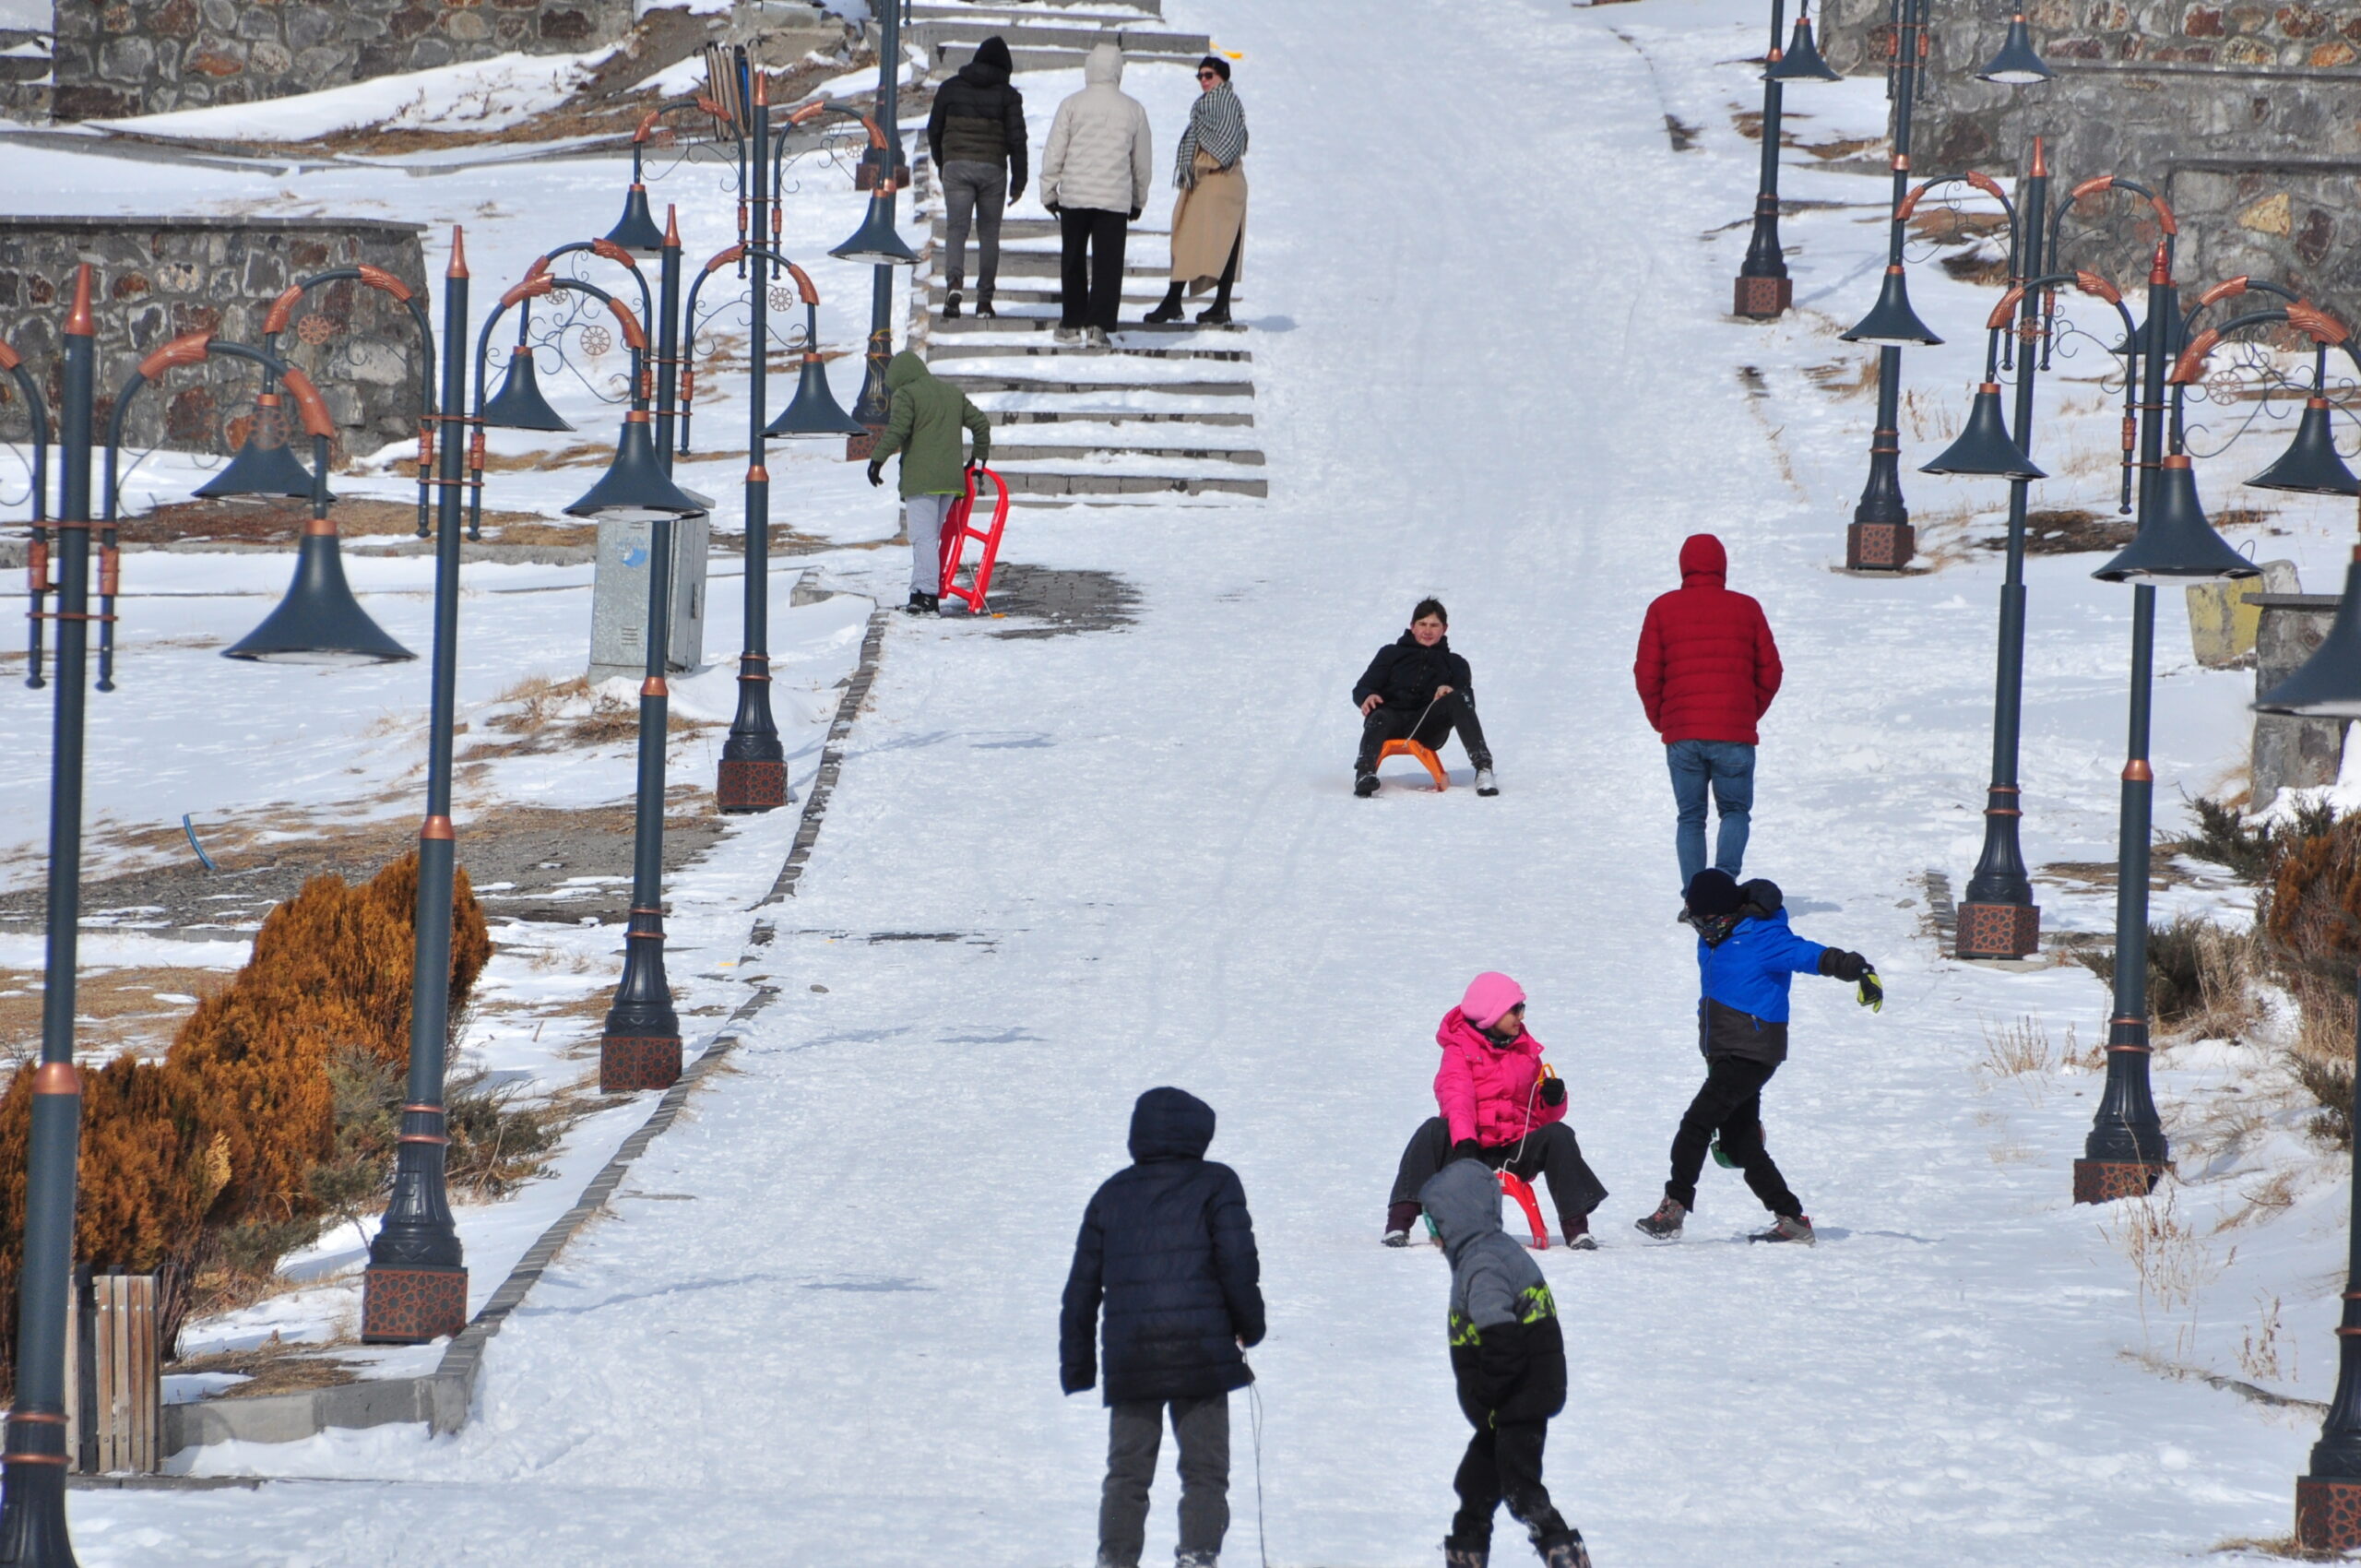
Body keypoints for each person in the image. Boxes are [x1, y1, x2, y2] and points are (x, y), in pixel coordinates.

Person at [1062, 1087, 1264, 1568]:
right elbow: (1238, 1263)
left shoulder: (1111, 1194)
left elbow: (1081, 1289)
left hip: (1133, 1354)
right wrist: (1249, 1327)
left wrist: (1078, 1366)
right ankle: (1197, 1556)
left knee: (1127, 1473)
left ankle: (1115, 1559)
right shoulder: (1218, 1184)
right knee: (1205, 1471)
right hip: (1202, 1351)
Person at [1634, 870, 1881, 1247]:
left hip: (1752, 1051)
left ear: (1728, 913)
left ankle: (1674, 1207)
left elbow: (1812, 955)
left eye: (1708, 921)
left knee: (1696, 1124)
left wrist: (1858, 969)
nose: (1702, 929)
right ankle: (1792, 1219)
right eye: (1696, 922)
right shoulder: (1712, 939)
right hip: (1724, 1051)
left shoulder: (1765, 936)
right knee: (1740, 1144)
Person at [1418, 1158, 1594, 1568]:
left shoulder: (1482, 1263)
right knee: (1476, 1482)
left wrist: (1485, 1393)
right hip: (1512, 1400)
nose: (1434, 1235)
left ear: (1455, 1219)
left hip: (1514, 1399)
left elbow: (1502, 1339)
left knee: (1521, 1488)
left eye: (1435, 1223)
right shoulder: (1489, 1252)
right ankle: (1467, 1550)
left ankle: (1563, 1552)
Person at [1385, 973, 1608, 1251]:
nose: (1521, 1016)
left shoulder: (1526, 1052)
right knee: (1432, 1130)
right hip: (1469, 1148)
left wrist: (1553, 1100)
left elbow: (1537, 1117)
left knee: (1559, 1134)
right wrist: (1465, 1141)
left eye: (1522, 1009)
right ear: (1491, 1012)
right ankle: (1399, 1222)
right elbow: (1457, 1098)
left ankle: (1577, 1229)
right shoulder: (1459, 1050)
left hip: (1514, 1150)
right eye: (1514, 1009)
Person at [1632, 532, 1783, 896]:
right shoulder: (1747, 609)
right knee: (1734, 812)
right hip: (1734, 733)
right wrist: (1746, 714)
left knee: (1690, 817)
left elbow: (1646, 674)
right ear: (1722, 566)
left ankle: (1695, 896)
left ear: (1684, 566)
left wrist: (1664, 720)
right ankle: (1724, 888)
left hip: (1683, 734)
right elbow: (1771, 672)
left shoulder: (1662, 609)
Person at [1040, 42, 1153, 348]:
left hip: (1075, 196)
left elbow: (1055, 152)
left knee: (1073, 259)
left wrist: (1049, 190)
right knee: (1108, 264)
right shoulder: (1134, 109)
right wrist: (1138, 199)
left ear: (1089, 68)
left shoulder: (1071, 104)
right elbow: (1141, 161)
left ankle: (1072, 321)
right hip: (1114, 200)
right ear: (1118, 71)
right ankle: (1099, 326)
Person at [866, 350, 991, 615]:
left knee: (923, 539)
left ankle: (928, 598)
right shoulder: (951, 393)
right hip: (951, 481)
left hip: (922, 479)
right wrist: (977, 460)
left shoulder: (906, 394)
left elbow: (898, 430)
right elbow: (981, 423)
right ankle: (918, 592)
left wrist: (877, 460)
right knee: (927, 540)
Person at [926, 34, 1026, 320]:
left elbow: (934, 129)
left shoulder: (949, 89)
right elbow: (1018, 141)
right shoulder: (1009, 96)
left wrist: (944, 162)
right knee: (989, 235)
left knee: (956, 229)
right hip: (993, 170)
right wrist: (1019, 182)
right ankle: (984, 301)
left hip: (956, 167)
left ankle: (954, 283)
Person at [1353, 599, 1497, 797]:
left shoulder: (1455, 663)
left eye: (1434, 625)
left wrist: (1450, 690)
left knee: (1458, 698)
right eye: (1422, 624)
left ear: (1444, 629)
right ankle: (1364, 773)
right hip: (1389, 720)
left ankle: (1483, 769)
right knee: (1380, 716)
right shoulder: (1390, 654)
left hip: (1427, 725)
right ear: (1412, 626)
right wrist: (1367, 696)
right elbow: (1363, 687)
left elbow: (1467, 699)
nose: (1427, 630)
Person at [1144, 56, 1247, 327]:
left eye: (1208, 75)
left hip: (1216, 182)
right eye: (1200, 76)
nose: (1203, 80)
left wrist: (1197, 164)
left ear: (1222, 77)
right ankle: (1211, 304)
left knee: (1195, 240)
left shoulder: (1221, 103)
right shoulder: (1213, 104)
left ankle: (1177, 301)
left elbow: (1223, 148)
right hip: (1212, 184)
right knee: (1213, 243)